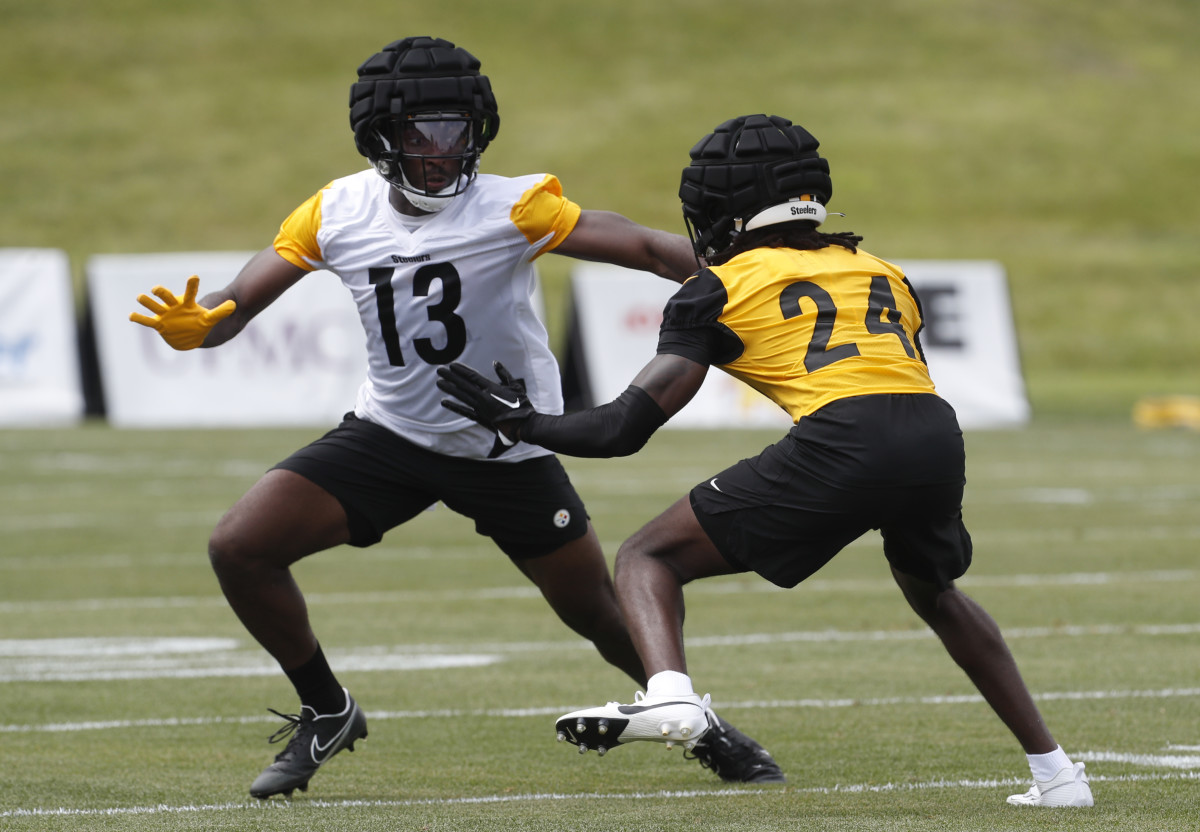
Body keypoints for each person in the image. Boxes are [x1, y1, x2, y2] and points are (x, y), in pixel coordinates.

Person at [128, 39, 784, 799]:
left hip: (509, 440)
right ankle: (326, 708)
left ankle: (699, 721)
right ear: (381, 138)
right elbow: (232, 310)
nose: (443, 152)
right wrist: (200, 326)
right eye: (421, 133)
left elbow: (642, 245)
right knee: (239, 545)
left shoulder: (514, 205)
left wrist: (746, 275)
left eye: (457, 131)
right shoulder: (334, 213)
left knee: (598, 614)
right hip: (393, 436)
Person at [437, 113, 1095, 809]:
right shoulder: (882, 270)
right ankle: (1058, 776)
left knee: (646, 557)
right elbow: (898, 381)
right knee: (937, 594)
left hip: (845, 438)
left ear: (724, 210)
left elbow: (624, 428)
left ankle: (670, 697)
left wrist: (525, 421)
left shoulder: (718, 286)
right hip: (935, 433)